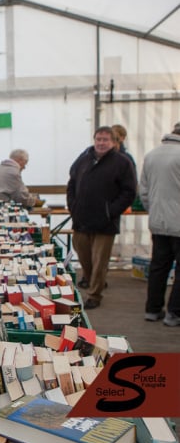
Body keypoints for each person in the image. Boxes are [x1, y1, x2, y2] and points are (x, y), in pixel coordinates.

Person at [67, 126, 136, 309]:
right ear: (94, 140)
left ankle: (94, 295)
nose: (101, 143)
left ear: (114, 142)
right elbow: (72, 183)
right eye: (98, 139)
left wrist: (111, 211)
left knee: (99, 261)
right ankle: (92, 283)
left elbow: (129, 192)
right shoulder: (84, 159)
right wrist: (73, 206)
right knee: (84, 258)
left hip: (105, 222)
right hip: (81, 219)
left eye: (105, 140)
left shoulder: (122, 163)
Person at [139, 122, 180, 327]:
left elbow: (143, 191)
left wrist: (153, 209)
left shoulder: (152, 155)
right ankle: (174, 313)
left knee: (158, 267)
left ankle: (152, 310)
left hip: (157, 221)